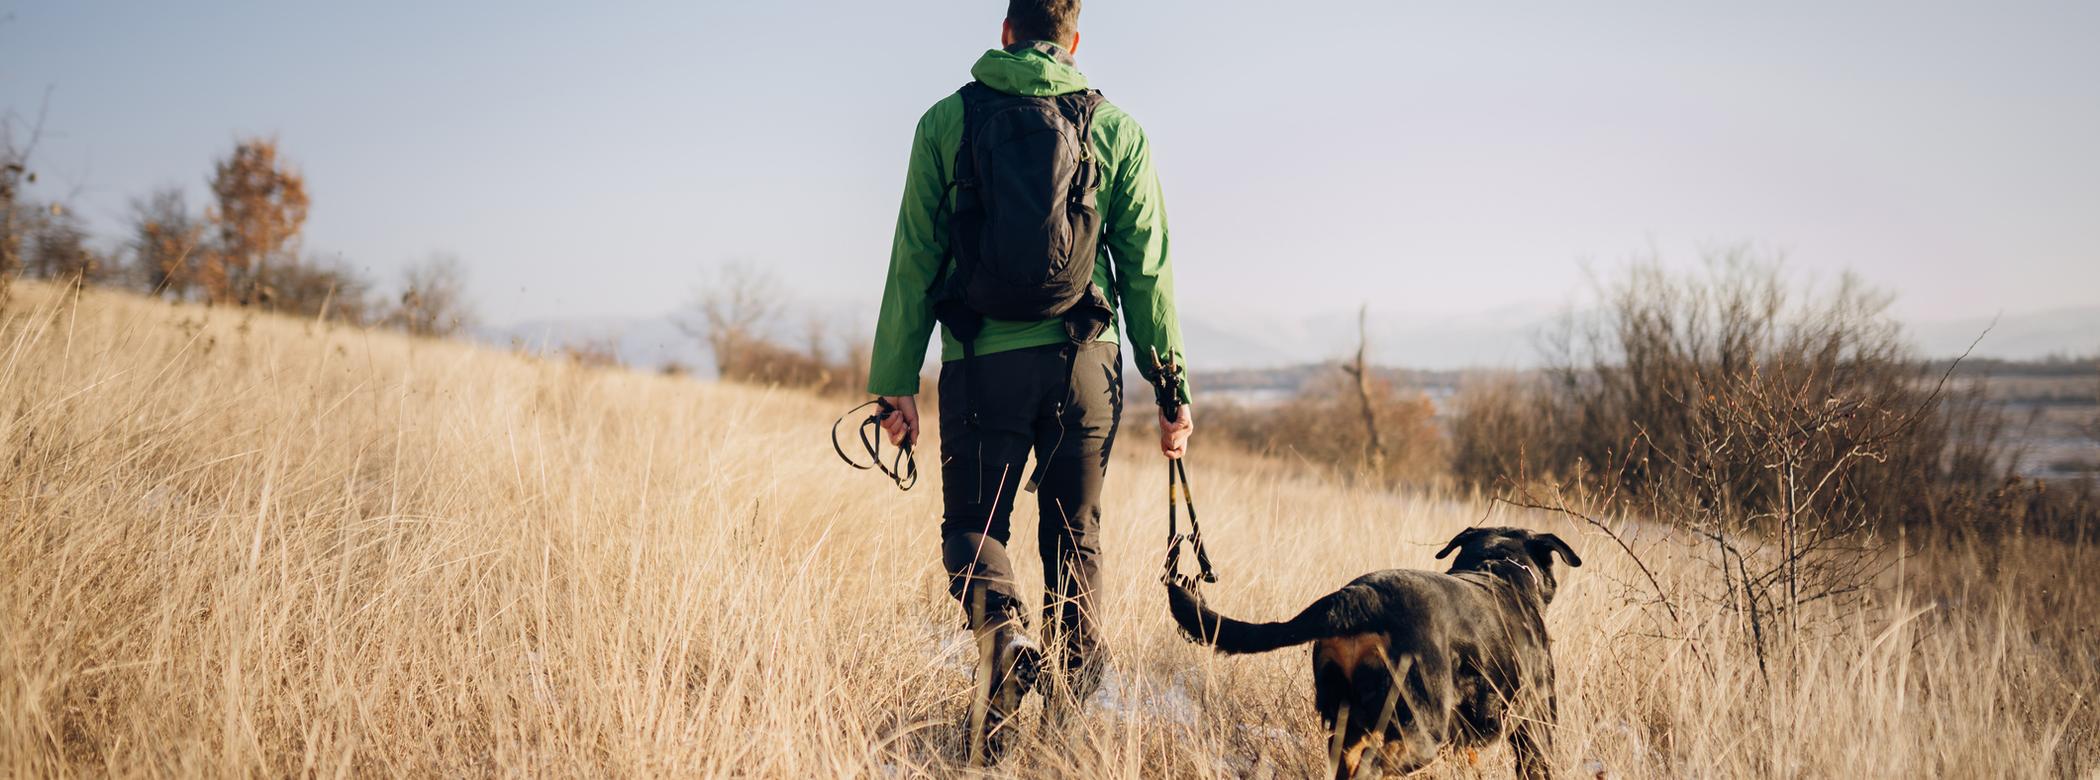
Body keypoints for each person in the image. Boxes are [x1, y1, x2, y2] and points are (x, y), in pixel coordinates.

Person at [864, 0, 1192, 756]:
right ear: (1073, 42)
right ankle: (1070, 732)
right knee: (1075, 540)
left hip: (982, 362)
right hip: (1086, 366)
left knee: (974, 532)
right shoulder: (1117, 130)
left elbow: (915, 256)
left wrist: (896, 379)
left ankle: (1004, 642)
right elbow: (1147, 272)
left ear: (1005, 34)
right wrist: (1171, 388)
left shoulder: (946, 122)